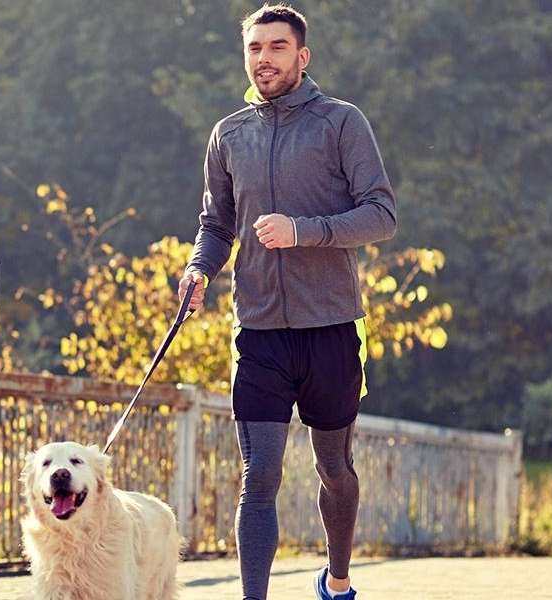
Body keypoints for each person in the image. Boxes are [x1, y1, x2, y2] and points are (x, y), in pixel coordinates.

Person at [178, 5, 397, 599]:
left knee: (334, 470)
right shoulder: (229, 134)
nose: (264, 58)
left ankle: (339, 578)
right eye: (255, 48)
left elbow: (381, 215)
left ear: (302, 57)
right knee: (260, 476)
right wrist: (199, 268)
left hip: (331, 327)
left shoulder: (340, 123)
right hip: (258, 331)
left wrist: (304, 230)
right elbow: (216, 224)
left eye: (277, 47)